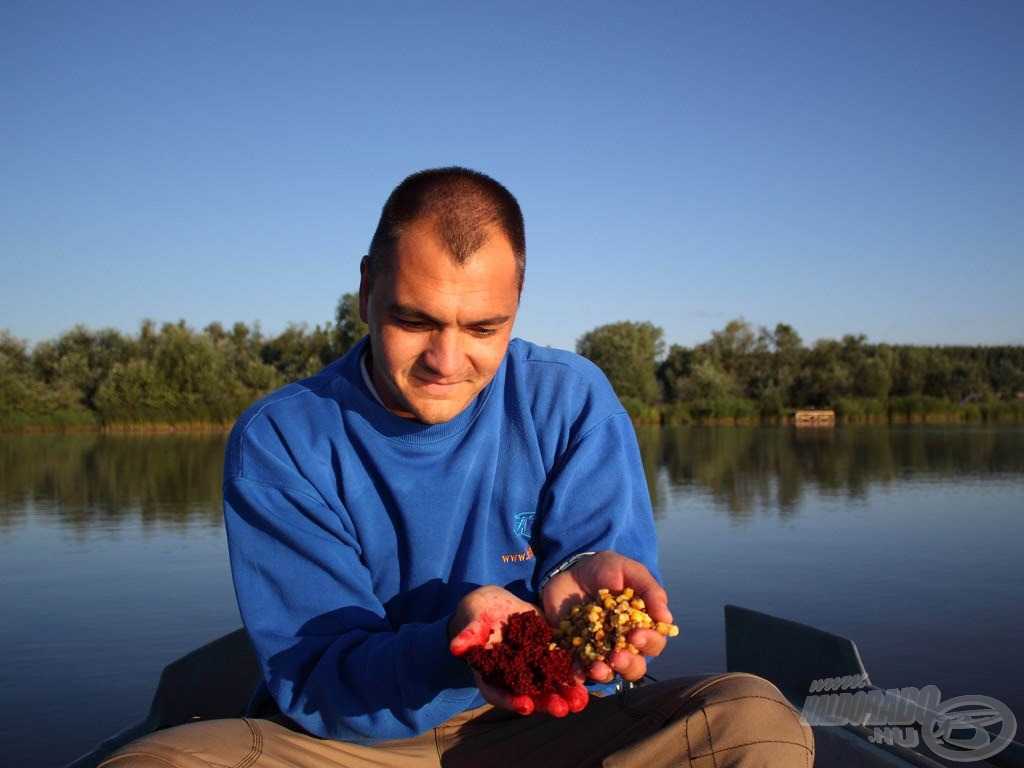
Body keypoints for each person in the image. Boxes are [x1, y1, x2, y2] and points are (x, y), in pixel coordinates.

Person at [102, 167, 813, 767]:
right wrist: (455, 646)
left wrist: (596, 610)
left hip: (549, 729)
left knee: (757, 719)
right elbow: (319, 683)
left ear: (517, 304)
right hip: (355, 746)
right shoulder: (283, 439)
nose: (447, 360)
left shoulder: (569, 399)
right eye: (415, 321)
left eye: (482, 328)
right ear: (364, 291)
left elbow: (604, 638)